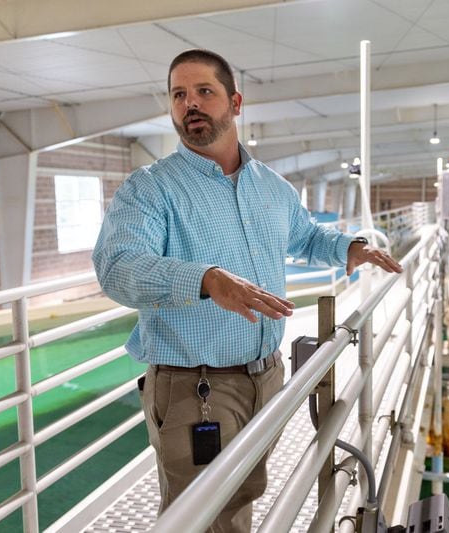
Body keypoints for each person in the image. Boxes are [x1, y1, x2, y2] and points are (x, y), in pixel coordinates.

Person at [92, 48, 402, 532]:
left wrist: (349, 248)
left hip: (265, 376)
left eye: (204, 92)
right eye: (179, 95)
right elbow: (118, 268)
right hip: (196, 387)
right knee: (204, 517)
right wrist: (204, 279)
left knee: (240, 499)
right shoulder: (150, 189)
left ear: (235, 103)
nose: (189, 104)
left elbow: (303, 236)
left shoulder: (271, 187)